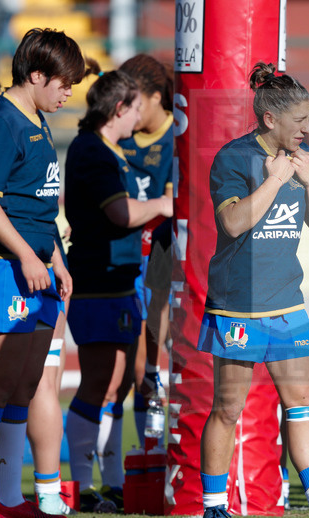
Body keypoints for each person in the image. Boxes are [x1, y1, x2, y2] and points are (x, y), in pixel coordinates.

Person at [197, 62, 309, 518]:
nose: (308, 128)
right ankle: (214, 506)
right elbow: (231, 223)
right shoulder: (234, 158)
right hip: (240, 308)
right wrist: (274, 178)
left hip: (288, 305)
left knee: (303, 406)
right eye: (300, 121)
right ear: (270, 119)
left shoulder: (301, 160)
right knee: (228, 409)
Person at [0, 28, 85, 518]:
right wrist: (29, 257)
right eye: (63, 83)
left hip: (35, 266)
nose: (68, 93)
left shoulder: (37, 118)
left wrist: (53, 258)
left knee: (26, 382)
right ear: (35, 75)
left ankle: (8, 498)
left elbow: (38, 207)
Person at [64, 67, 174, 513]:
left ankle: (109, 484)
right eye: (133, 109)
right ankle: (81, 486)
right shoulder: (95, 152)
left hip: (118, 280)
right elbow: (120, 213)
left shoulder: (105, 148)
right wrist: (163, 204)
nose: (138, 119)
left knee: (120, 385)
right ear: (118, 109)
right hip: (97, 282)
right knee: (98, 385)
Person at [117, 53, 175, 445]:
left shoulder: (179, 135)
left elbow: (173, 207)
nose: (126, 109)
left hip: (166, 263)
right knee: (136, 371)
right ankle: (149, 458)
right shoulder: (117, 138)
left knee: (158, 364)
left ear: (155, 97)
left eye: (133, 99)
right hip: (124, 265)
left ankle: (160, 455)